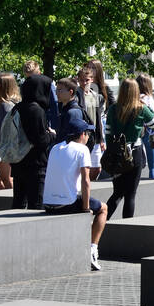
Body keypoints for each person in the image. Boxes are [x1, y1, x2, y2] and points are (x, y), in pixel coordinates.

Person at [42, 109, 107, 271]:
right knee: (103, 208)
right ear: (82, 134)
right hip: (66, 204)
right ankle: (92, 249)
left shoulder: (55, 148)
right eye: (88, 134)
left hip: (48, 203)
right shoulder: (82, 150)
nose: (89, 137)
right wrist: (86, 209)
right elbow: (86, 181)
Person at [104, 76, 154, 220]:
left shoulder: (113, 109)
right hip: (134, 153)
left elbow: (108, 133)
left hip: (116, 154)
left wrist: (112, 150)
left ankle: (101, 222)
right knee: (130, 194)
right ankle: (127, 225)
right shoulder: (141, 109)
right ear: (136, 91)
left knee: (117, 192)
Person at [10, 74, 54, 210]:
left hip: (18, 162)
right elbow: (40, 140)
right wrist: (52, 135)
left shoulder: (17, 108)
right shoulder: (36, 110)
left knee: (18, 203)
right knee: (36, 204)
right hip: (35, 165)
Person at [0, 73, 22, 190]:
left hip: (4, 150)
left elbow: (4, 131)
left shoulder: (5, 106)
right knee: (0, 179)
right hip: (6, 149)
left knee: (5, 179)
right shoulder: (12, 103)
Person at [136, 74, 154, 180]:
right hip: (150, 131)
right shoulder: (149, 99)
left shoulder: (133, 99)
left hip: (136, 131)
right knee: (153, 164)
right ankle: (153, 182)